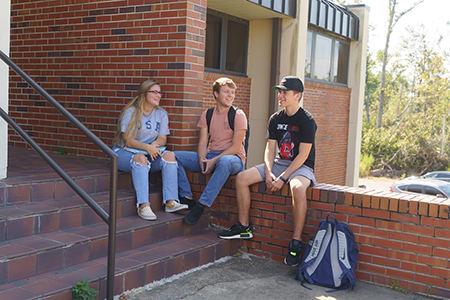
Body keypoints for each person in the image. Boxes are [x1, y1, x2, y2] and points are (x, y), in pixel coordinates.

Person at [218, 76, 317, 267]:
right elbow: (270, 150)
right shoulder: (275, 119)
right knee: (242, 178)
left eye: (284, 92)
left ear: (297, 96)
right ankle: (244, 227)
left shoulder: (307, 121)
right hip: (280, 163)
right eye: (279, 91)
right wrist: (269, 172)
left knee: (297, 189)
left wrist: (283, 178)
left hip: (301, 167)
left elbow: (303, 155)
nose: (280, 95)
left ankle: (296, 243)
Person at [175, 77, 248, 226]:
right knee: (173, 156)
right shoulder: (207, 115)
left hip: (234, 159)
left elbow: (235, 147)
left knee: (224, 161)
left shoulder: (238, 115)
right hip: (211, 156)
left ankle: (201, 205)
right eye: (226, 92)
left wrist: (213, 161)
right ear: (216, 94)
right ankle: (187, 197)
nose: (230, 96)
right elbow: (202, 142)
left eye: (232, 93)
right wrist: (203, 161)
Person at [113, 79, 188, 221]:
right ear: (144, 94)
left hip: (149, 153)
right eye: (154, 92)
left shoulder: (161, 114)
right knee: (141, 158)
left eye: (160, 93)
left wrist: (154, 145)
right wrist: (147, 147)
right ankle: (143, 205)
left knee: (170, 156)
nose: (158, 95)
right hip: (125, 152)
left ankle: (171, 202)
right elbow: (128, 140)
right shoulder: (132, 112)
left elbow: (162, 139)